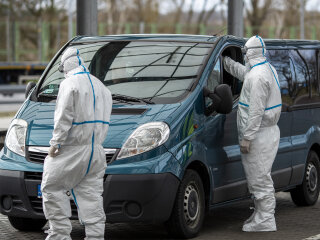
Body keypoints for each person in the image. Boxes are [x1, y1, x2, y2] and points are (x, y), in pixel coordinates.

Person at [41, 47, 112, 240]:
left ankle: (59, 235)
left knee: (51, 187)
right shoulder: (102, 87)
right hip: (96, 151)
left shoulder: (69, 84)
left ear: (67, 65)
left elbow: (64, 116)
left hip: (72, 149)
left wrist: (56, 142)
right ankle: (95, 237)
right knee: (91, 196)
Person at [223, 35, 282, 232]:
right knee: (258, 176)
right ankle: (260, 214)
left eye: (245, 53)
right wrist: (227, 62)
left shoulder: (258, 77)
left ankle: (265, 219)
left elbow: (256, 111)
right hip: (264, 132)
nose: (244, 56)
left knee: (259, 178)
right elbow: (245, 74)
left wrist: (248, 137)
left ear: (250, 53)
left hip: (259, 135)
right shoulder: (264, 69)